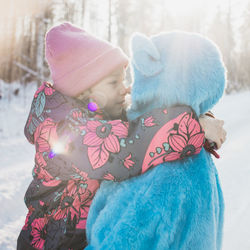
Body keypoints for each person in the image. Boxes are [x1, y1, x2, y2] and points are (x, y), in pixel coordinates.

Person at [17, 23, 225, 250]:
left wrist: (196, 112)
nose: (126, 88)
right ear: (85, 89)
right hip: (53, 244)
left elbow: (141, 120)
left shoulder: (93, 112)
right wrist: (194, 126)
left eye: (124, 78)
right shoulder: (64, 131)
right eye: (114, 82)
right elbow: (127, 147)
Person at [85, 31, 227, 250]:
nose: (129, 88)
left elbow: (124, 241)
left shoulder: (166, 172)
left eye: (134, 79)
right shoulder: (193, 149)